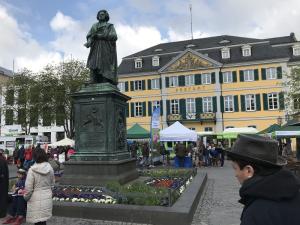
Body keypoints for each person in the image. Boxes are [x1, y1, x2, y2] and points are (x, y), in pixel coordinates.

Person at [226, 134, 300, 225]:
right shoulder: (295, 192)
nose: (235, 175)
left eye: (235, 168)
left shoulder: (256, 213)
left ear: (249, 170)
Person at [85, 9, 118, 85]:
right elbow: (89, 35)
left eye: (102, 14)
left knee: (104, 63)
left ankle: (105, 79)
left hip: (105, 47)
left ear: (106, 16)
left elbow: (114, 36)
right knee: (93, 62)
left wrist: (102, 36)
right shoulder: (94, 26)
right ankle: (93, 79)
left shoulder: (109, 26)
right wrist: (89, 41)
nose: (100, 16)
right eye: (99, 14)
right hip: (95, 47)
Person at [24, 148, 55, 225]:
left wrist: (25, 197)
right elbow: (52, 183)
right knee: (43, 221)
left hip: (35, 199)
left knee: (37, 222)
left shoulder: (32, 170)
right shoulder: (50, 168)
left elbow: (28, 188)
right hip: (47, 197)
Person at [0, 149, 9, 218]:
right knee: (3, 198)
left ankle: (2, 213)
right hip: (4, 183)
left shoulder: (1, 160)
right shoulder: (3, 160)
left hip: (2, 182)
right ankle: (2, 213)